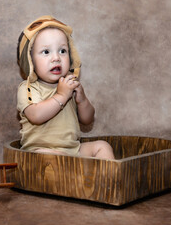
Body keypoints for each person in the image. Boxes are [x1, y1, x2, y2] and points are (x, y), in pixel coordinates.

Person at [16, 15, 114, 160]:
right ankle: (79, 177)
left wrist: (82, 100)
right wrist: (61, 96)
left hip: (73, 151)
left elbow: (88, 120)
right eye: (46, 52)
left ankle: (108, 181)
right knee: (51, 157)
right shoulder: (29, 88)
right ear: (30, 61)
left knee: (102, 146)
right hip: (40, 151)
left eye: (62, 51)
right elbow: (35, 116)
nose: (56, 58)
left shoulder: (69, 84)